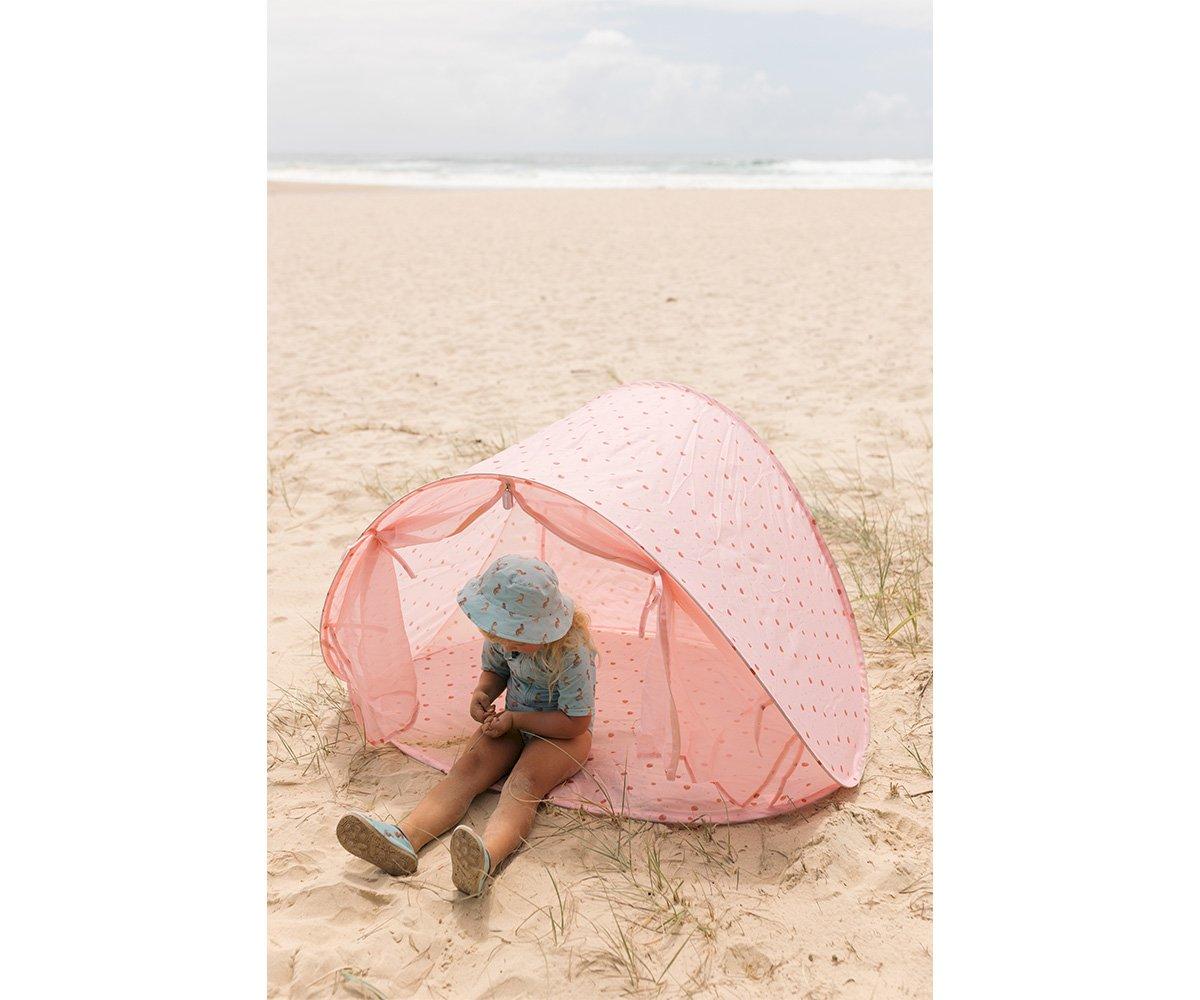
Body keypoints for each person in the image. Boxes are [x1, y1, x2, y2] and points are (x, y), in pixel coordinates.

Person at [336, 554, 597, 896]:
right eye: (498, 635)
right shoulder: (505, 636)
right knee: (468, 768)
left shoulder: (572, 653)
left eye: (514, 639)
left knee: (524, 782)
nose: (504, 644)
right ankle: (405, 838)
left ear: (542, 627)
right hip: (513, 720)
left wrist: (517, 718)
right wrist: (483, 693)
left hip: (564, 733)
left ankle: (485, 857)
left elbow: (576, 722)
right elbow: (497, 671)